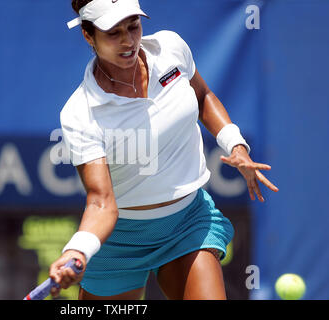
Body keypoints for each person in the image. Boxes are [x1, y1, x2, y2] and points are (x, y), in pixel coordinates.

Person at [49, 0, 278, 300]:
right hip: (120, 240)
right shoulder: (80, 113)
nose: (129, 41)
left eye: (133, 26)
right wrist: (77, 250)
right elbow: (101, 202)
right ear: (88, 36)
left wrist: (234, 143)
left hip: (187, 223)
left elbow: (203, 96)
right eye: (113, 33)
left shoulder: (171, 48)